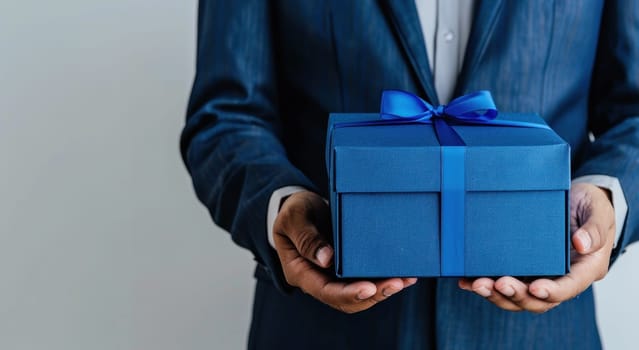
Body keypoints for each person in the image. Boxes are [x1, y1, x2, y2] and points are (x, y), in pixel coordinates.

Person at [180, 1, 639, 348]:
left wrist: (604, 199)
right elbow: (226, 117)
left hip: (540, 335)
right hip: (322, 328)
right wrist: (281, 204)